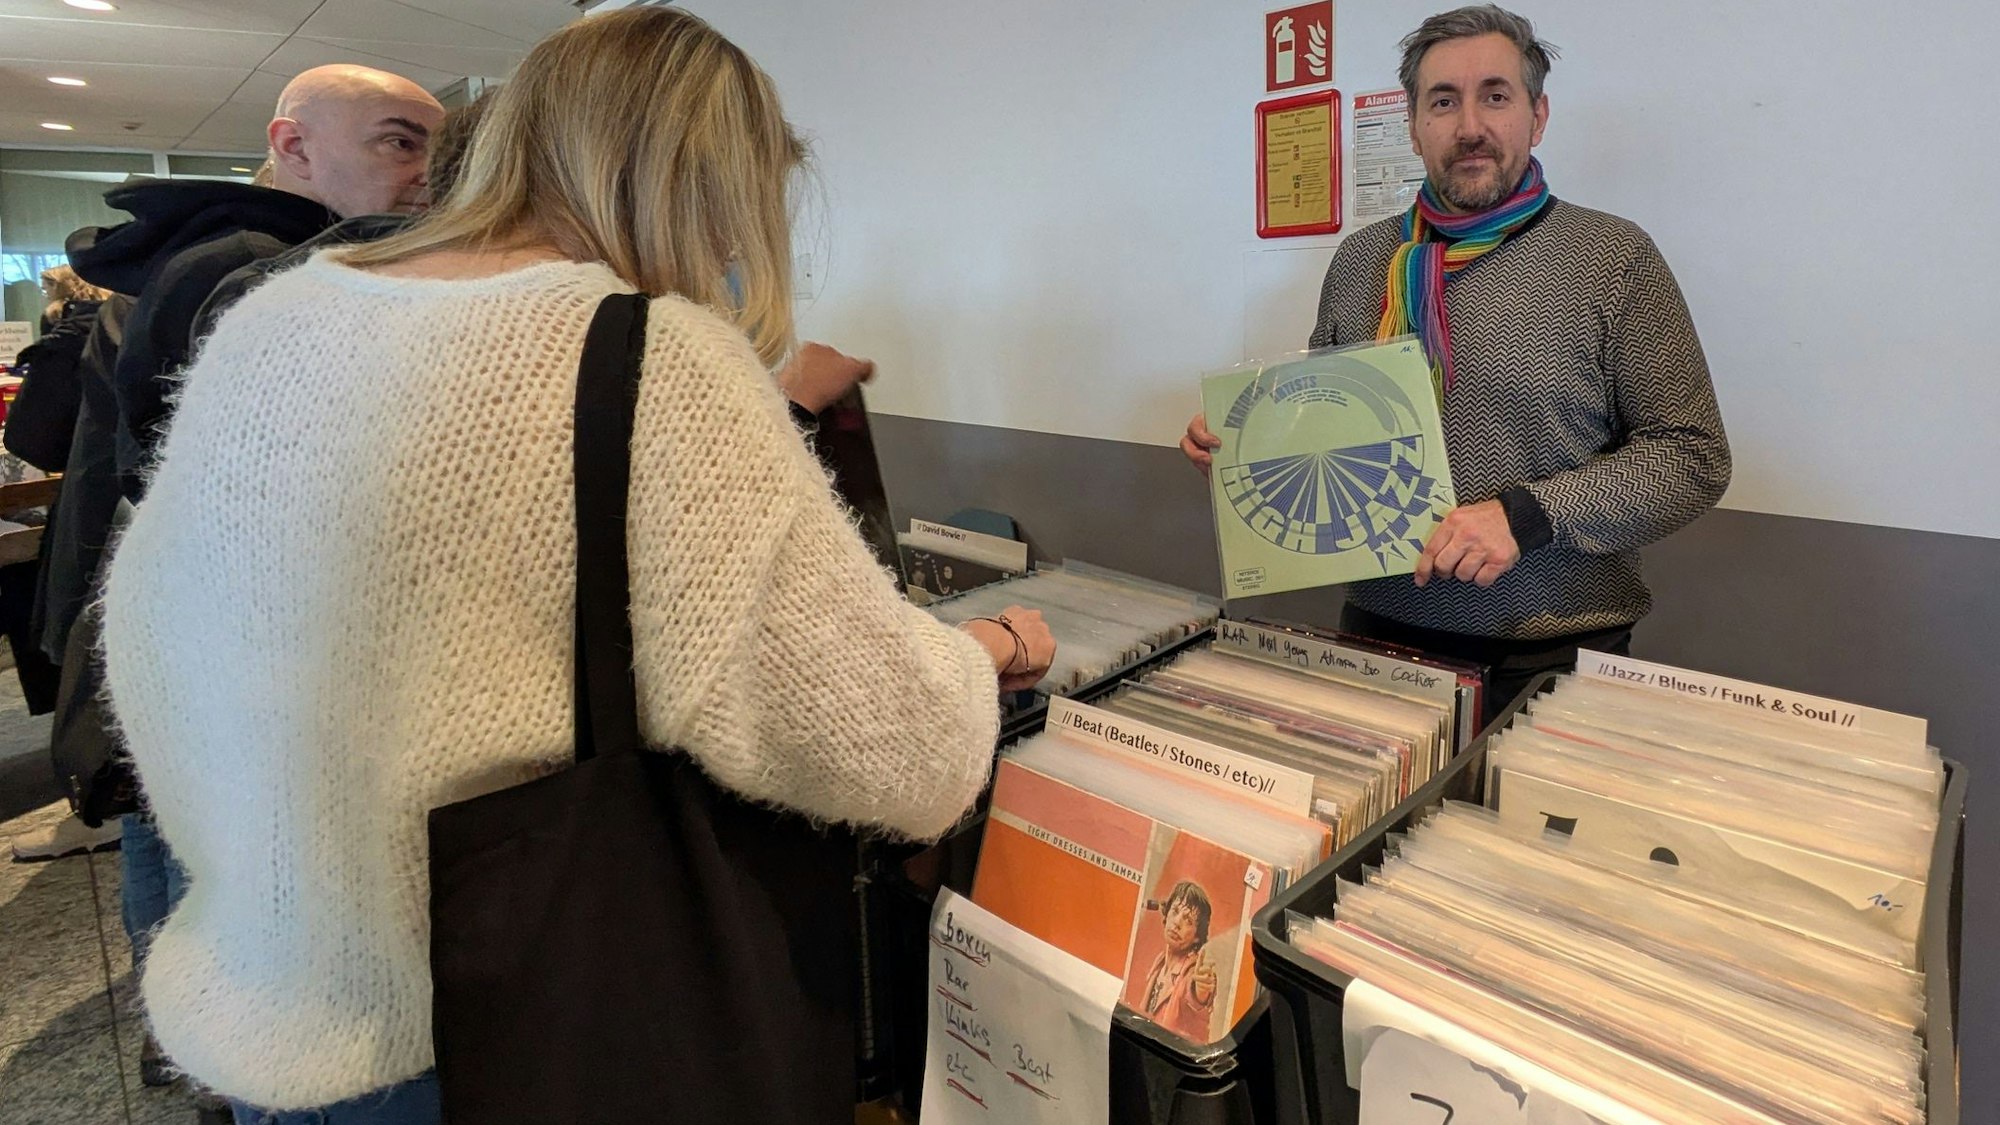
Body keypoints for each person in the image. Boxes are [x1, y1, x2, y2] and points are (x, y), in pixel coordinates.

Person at [99, 9, 1055, 1123]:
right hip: (516, 1030)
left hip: (275, 998)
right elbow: (876, 739)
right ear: (703, 181)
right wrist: (981, 653)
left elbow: (151, 641)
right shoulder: (653, 353)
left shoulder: (280, 317)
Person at [63, 63, 443, 1097]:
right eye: (397, 140)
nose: (424, 171)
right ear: (292, 143)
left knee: (175, 823)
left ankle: (195, 1035)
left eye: (433, 147)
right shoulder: (250, 269)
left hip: (168, 618)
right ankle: (203, 1043)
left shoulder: (221, 254)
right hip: (210, 630)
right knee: (198, 843)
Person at [1182, 4, 1729, 717]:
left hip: (1549, 663)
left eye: (1495, 96)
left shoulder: (1612, 258)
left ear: (1537, 116)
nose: (1469, 125)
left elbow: (1691, 455)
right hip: (1377, 647)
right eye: (1443, 102)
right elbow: (1331, 427)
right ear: (1414, 127)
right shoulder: (1362, 262)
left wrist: (1528, 516)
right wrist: (1247, 450)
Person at [1140, 881, 1219, 1042]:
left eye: (1188, 921)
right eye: (1175, 911)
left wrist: (1201, 990)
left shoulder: (1191, 971)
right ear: (1166, 914)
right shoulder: (1159, 963)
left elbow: (1197, 996)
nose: (1177, 923)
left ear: (1197, 936)